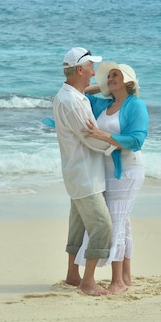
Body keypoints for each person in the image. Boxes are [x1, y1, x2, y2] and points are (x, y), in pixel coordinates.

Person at [76, 61, 149, 294]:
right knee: (122, 221)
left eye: (116, 75)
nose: (110, 79)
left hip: (127, 170)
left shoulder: (135, 105)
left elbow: (137, 140)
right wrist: (101, 86)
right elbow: (76, 92)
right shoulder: (105, 104)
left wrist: (102, 135)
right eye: (108, 76)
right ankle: (125, 276)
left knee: (115, 220)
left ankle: (116, 281)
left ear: (128, 80)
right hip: (106, 170)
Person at [52, 47, 115, 296]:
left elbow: (83, 91)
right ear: (80, 69)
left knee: (77, 227)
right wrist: (118, 143)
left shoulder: (69, 95)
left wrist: (107, 87)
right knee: (102, 226)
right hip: (85, 175)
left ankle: (72, 275)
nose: (94, 72)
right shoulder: (71, 102)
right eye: (91, 67)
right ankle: (88, 281)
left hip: (79, 172)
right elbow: (91, 138)